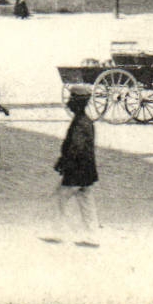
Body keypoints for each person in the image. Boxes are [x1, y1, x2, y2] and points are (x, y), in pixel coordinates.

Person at [53, 85, 99, 241]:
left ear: (78, 102)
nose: (69, 103)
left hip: (76, 170)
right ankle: (92, 235)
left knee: (61, 197)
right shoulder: (85, 121)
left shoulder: (80, 123)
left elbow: (75, 148)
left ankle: (60, 232)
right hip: (87, 170)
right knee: (86, 202)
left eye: (72, 99)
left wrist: (64, 163)